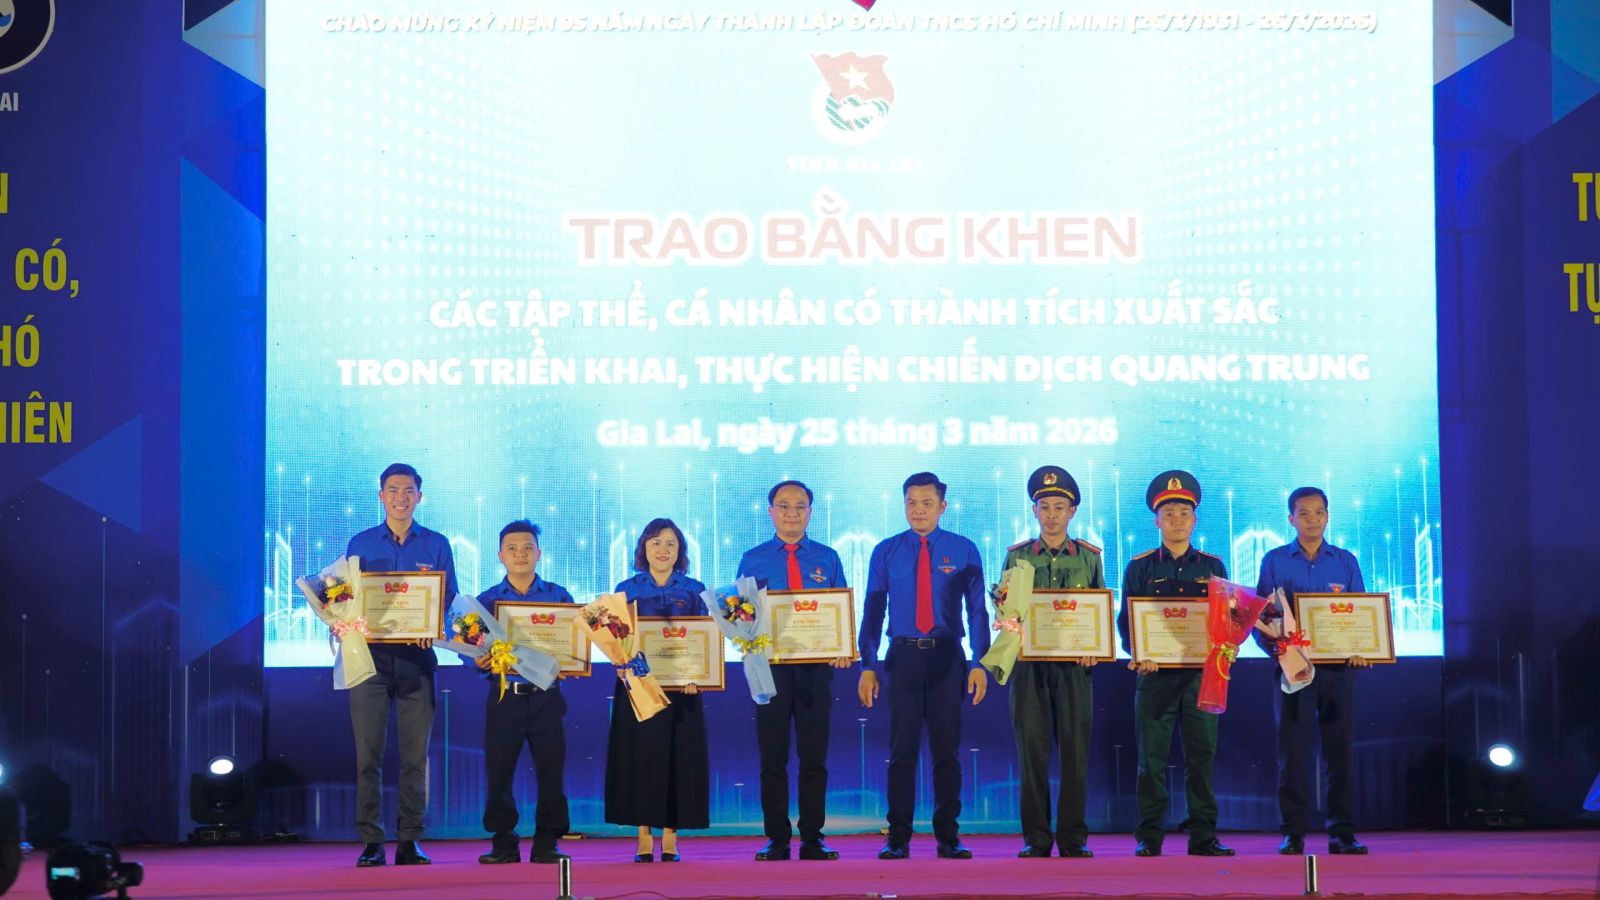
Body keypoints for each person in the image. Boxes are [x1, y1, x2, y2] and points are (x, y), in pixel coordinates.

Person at [858, 472, 990, 860]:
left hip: (948, 658)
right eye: (911, 503)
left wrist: (980, 662)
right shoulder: (886, 551)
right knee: (902, 751)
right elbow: (873, 611)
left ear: (942, 507)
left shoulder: (964, 549)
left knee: (947, 752)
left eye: (927, 503)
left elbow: (978, 610)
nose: (918, 510)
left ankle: (948, 836)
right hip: (903, 658)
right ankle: (897, 837)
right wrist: (868, 665)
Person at [344, 463, 457, 867]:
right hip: (370, 661)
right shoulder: (360, 543)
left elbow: (449, 598)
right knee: (368, 757)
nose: (401, 498)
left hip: (417, 660)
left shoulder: (437, 544)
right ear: (381, 496)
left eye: (408, 491)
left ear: (419, 497)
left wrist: (433, 626)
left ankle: (409, 839)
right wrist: (344, 623)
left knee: (415, 758)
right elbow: (345, 598)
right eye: (393, 490)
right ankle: (371, 841)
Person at [1116, 470, 1233, 858]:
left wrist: (1224, 647)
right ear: (1157, 521)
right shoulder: (1140, 567)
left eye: (1184, 513)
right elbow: (1126, 622)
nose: (1177, 520)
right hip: (1155, 677)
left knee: (1201, 759)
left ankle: (1203, 836)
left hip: (1202, 678)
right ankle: (1149, 836)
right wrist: (1139, 653)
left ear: (1194, 519)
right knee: (1151, 761)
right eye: (1169, 514)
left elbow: (1225, 620)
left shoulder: (1213, 568)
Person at [736, 480, 850, 862]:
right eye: (784, 506)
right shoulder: (752, 559)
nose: (792, 513)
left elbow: (840, 611)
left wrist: (842, 648)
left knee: (814, 757)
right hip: (769, 669)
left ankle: (813, 837)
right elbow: (740, 615)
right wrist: (744, 637)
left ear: (810, 513)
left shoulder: (827, 558)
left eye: (800, 507)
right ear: (771, 512)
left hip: (816, 670)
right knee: (773, 757)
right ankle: (777, 839)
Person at [1253, 487, 1371, 856]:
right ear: (1291, 519)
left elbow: (1360, 615)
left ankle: (1342, 833)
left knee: (1340, 754)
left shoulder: (1345, 561)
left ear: (1327, 516)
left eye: (1319, 512)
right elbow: (1262, 616)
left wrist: (1362, 649)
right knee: (1293, 755)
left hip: (1339, 673)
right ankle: (1293, 833)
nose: (1312, 520)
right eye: (1304, 513)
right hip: (1293, 670)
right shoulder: (1274, 561)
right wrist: (1280, 651)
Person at [1002, 466, 1102, 859]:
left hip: (1074, 668)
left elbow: (1098, 611)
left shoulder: (1089, 557)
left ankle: (1073, 838)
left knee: (1075, 754)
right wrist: (1007, 622)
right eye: (1044, 507)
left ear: (1072, 512)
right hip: (1029, 667)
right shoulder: (1017, 556)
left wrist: (1095, 645)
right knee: (1032, 754)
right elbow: (1006, 611)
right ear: (1034, 510)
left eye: (1060, 507)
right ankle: (1037, 838)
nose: (1052, 514)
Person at [605, 518, 710, 862]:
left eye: (670, 543)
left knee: (678, 759)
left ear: (680, 550)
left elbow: (705, 641)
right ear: (643, 549)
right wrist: (621, 662)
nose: (663, 550)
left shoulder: (694, 590)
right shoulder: (626, 589)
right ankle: (643, 835)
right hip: (638, 688)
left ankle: (670, 835)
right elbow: (614, 640)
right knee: (641, 759)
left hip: (684, 689)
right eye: (655, 543)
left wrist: (699, 676)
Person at [475, 520, 574, 865]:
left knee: (551, 769)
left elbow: (574, 644)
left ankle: (547, 841)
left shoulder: (559, 597)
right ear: (500, 555)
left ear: (539, 554)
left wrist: (573, 661)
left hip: (547, 695)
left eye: (528, 548)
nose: (521, 554)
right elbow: (471, 647)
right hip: (506, 695)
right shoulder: (487, 601)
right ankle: (503, 841)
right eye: (513, 549)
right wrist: (478, 659)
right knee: (499, 770)